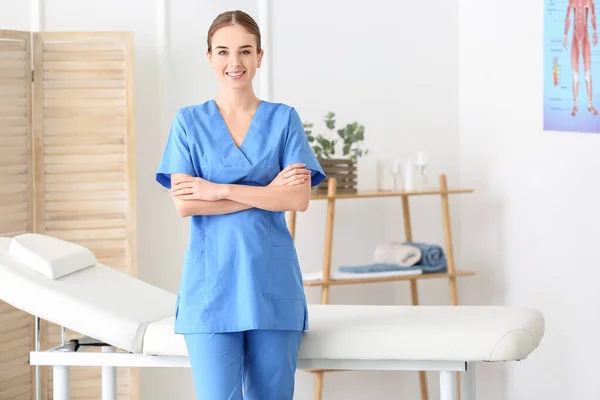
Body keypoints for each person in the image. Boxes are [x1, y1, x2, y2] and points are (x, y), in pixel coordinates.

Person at [155, 9, 326, 400]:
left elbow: (298, 198)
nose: (236, 62)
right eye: (224, 51)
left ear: (260, 57)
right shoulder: (188, 122)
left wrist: (217, 190)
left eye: (246, 51)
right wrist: (266, 191)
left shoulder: (283, 120)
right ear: (210, 57)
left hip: (271, 284)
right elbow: (185, 206)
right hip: (210, 286)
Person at [564, 0, 598, 116]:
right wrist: (565, 35)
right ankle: (575, 105)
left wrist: (595, 31)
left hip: (585, 37)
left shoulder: (589, 1)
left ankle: (589, 105)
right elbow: (568, 17)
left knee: (587, 72)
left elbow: (593, 15)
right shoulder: (571, 1)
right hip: (574, 36)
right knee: (575, 73)